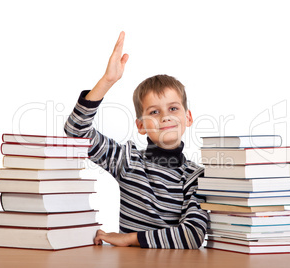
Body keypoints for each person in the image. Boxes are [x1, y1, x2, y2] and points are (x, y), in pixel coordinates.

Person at [64, 31, 208, 249]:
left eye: (173, 108)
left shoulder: (195, 176)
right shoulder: (127, 160)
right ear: (141, 126)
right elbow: (76, 133)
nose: (166, 116)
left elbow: (192, 235)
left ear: (188, 117)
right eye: (154, 112)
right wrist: (107, 81)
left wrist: (131, 238)